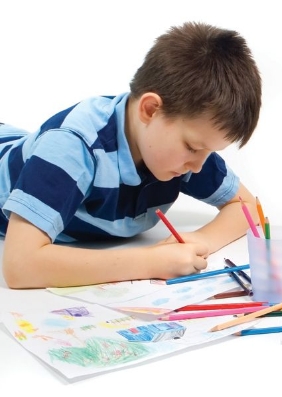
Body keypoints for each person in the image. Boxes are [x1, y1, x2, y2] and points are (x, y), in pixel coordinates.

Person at [0, 22, 262, 289]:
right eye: (193, 148)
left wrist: (202, 240)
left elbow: (249, 207)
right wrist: (150, 262)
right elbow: (20, 265)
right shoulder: (72, 146)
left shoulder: (184, 150)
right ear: (150, 110)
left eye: (209, 151)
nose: (198, 167)